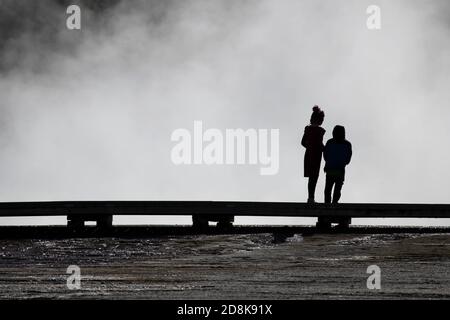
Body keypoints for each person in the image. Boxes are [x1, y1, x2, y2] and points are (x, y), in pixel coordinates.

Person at [301, 106, 325, 203]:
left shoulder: (307, 129)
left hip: (309, 154)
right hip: (315, 156)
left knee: (311, 177)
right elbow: (319, 144)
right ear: (319, 120)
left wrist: (310, 146)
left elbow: (303, 142)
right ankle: (311, 198)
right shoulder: (320, 131)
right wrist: (325, 149)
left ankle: (310, 198)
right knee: (314, 177)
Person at [323, 125, 352, 204]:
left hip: (331, 169)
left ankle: (327, 205)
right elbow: (348, 159)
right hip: (340, 170)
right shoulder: (347, 144)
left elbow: (325, 155)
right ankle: (334, 203)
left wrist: (329, 162)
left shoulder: (330, 142)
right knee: (337, 189)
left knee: (328, 189)